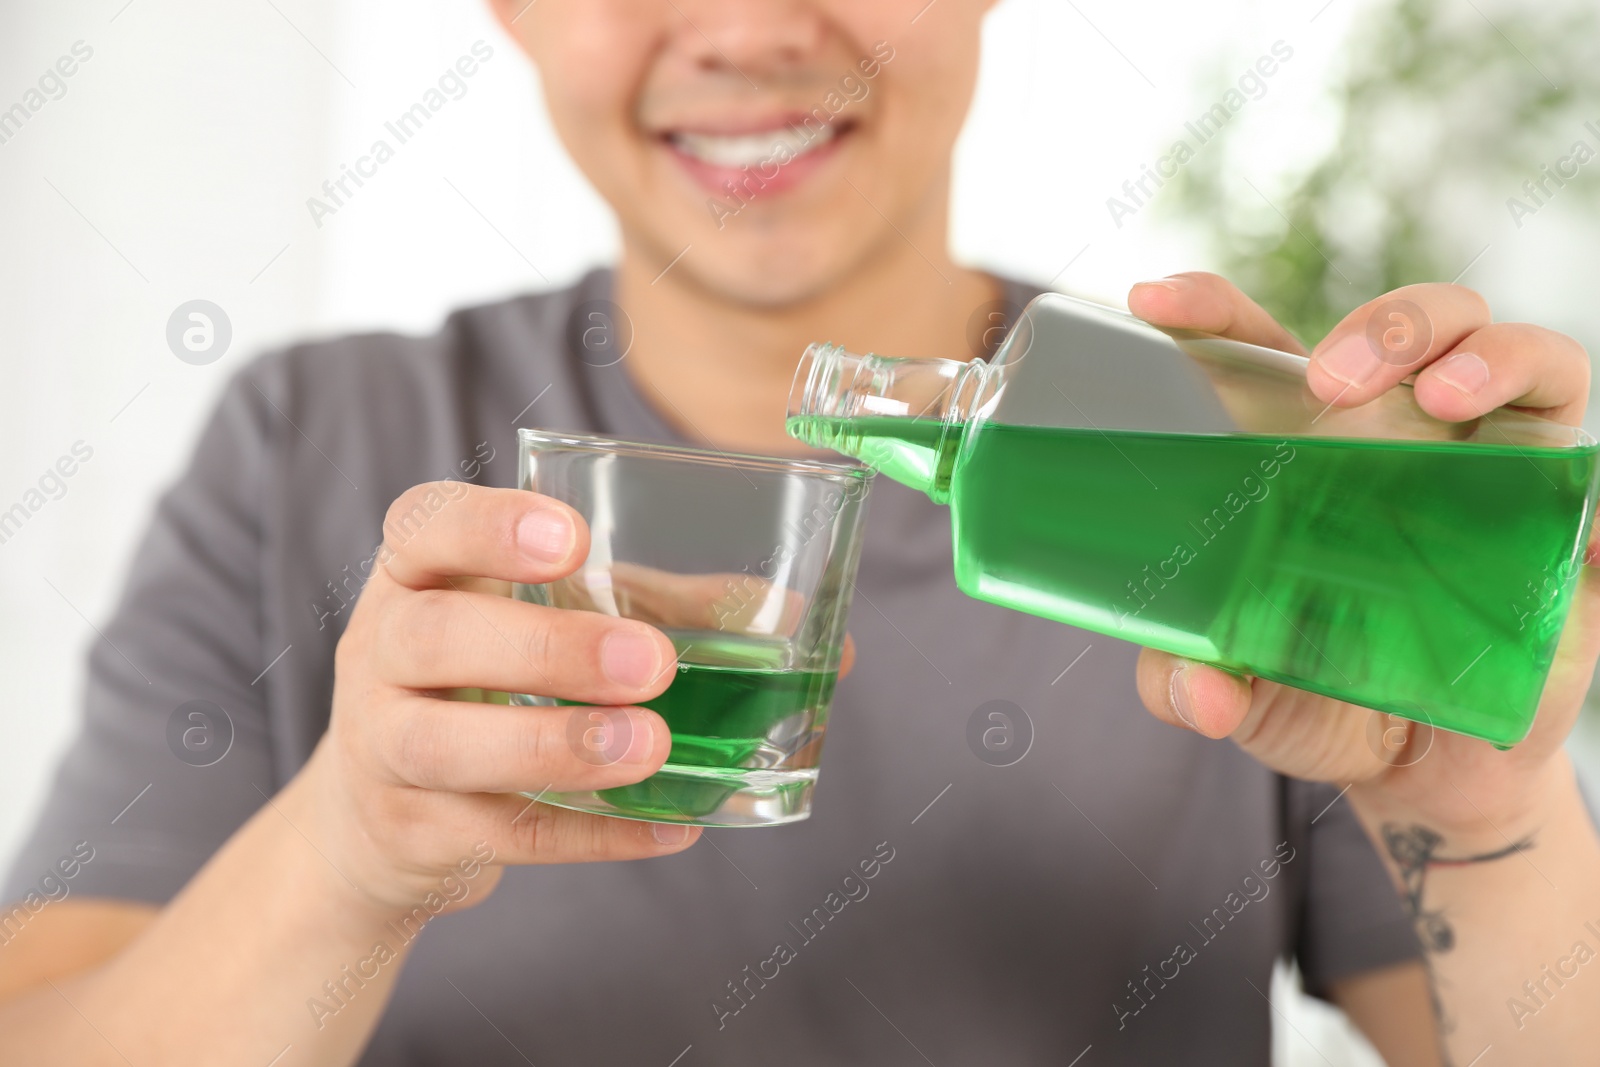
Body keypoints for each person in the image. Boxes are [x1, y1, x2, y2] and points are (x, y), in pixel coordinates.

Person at [2, 2, 1596, 1064]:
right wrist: (343, 855)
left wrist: (1490, 815)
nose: (755, 26)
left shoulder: (1251, 483)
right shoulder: (312, 453)